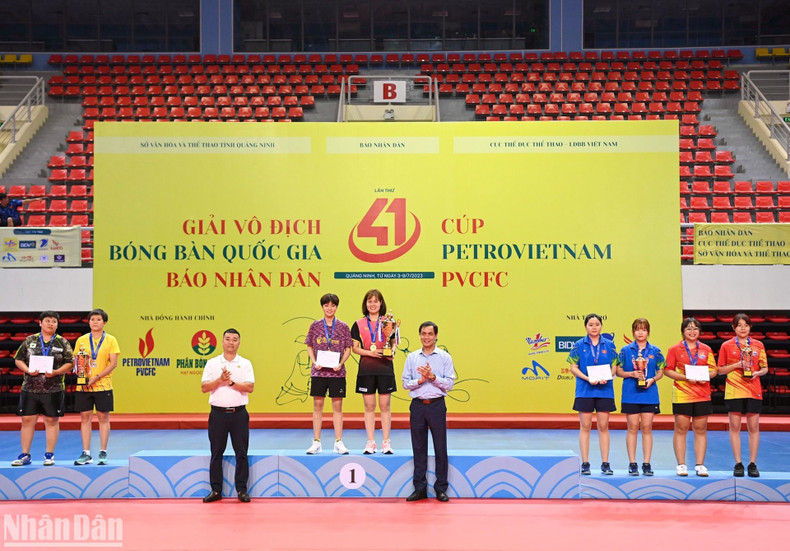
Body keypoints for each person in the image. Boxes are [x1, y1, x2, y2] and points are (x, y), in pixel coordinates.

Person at [11, 310, 74, 466]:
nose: (50, 323)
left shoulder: (62, 342)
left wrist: (57, 372)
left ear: (57, 325)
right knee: (27, 420)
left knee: (51, 420)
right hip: (30, 388)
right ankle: (25, 455)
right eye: (47, 320)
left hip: (54, 389)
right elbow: (18, 359)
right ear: (40, 323)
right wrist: (26, 370)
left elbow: (70, 362)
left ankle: (49, 455)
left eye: (54, 321)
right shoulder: (29, 340)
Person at [402, 321, 456, 503]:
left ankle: (441, 488)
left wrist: (432, 377)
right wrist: (419, 381)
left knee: (441, 447)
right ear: (419, 336)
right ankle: (420, 489)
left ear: (436, 336)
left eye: (430, 334)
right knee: (418, 448)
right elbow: (404, 383)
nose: (426, 337)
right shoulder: (411, 358)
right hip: (417, 406)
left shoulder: (444, 357)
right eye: (423, 334)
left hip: (436, 405)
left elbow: (450, 383)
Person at [200, 329, 255, 503]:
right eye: (228, 339)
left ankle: (241, 490)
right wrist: (220, 380)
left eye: (235, 340)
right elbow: (204, 388)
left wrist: (231, 383)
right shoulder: (212, 363)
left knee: (241, 453)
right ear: (222, 341)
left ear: (239, 343)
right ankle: (216, 490)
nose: (231, 342)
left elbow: (250, 387)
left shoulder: (245, 363)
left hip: (239, 414)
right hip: (218, 414)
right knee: (216, 453)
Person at [664, 317, 718, 477]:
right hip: (682, 394)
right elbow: (668, 370)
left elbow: (714, 370)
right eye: (689, 328)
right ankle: (681, 465)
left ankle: (700, 465)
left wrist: (706, 376)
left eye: (695, 328)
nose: (692, 331)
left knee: (700, 429)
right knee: (681, 428)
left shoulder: (706, 349)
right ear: (683, 331)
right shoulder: (674, 349)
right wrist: (685, 377)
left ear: (699, 331)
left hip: (702, 394)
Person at [717, 313, 768, 478]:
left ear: (750, 327)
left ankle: (753, 463)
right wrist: (738, 364)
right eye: (739, 325)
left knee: (753, 427)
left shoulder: (758, 345)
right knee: (735, 427)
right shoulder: (726, 345)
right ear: (733, 328)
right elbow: (721, 370)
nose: (743, 328)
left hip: (754, 389)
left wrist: (757, 373)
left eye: (745, 325)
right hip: (734, 390)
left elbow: (765, 368)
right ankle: (738, 463)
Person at [567, 313, 618, 476]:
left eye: (597, 324)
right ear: (585, 327)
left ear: (601, 326)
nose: (594, 327)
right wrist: (588, 378)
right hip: (585, 390)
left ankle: (605, 463)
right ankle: (585, 463)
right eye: (591, 324)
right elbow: (573, 367)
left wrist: (608, 377)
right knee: (585, 426)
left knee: (604, 426)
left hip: (605, 390)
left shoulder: (609, 345)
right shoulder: (578, 345)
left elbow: (615, 367)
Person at [304, 293, 353, 455]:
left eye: (332, 305)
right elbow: (309, 345)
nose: (329, 308)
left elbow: (348, 348)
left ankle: (338, 441)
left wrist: (341, 363)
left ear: (336, 307)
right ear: (322, 307)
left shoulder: (343, 326)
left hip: (337, 374)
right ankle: (316, 442)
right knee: (317, 406)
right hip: (318, 372)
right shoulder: (315, 325)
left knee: (337, 407)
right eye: (326, 305)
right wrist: (314, 361)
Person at [351, 289, 397, 454]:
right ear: (366, 304)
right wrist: (370, 353)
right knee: (369, 406)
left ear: (381, 303)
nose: (372, 304)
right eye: (369, 301)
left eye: (375, 301)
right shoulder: (358, 324)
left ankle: (386, 442)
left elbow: (393, 343)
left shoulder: (389, 322)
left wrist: (392, 351)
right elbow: (355, 348)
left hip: (385, 368)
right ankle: (370, 442)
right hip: (366, 369)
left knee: (385, 406)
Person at [616, 318, 665, 476]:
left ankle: (646, 463)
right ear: (633, 332)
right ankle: (632, 463)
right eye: (637, 329)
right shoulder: (625, 350)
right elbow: (618, 371)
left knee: (647, 428)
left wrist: (652, 379)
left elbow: (661, 371)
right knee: (632, 427)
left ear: (648, 332)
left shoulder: (655, 351)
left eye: (643, 329)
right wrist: (631, 374)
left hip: (649, 394)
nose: (640, 332)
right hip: (631, 394)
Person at [72, 309, 121, 466]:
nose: (95, 322)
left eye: (98, 319)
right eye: (92, 319)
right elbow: (77, 361)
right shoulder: (81, 340)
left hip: (103, 385)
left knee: (103, 417)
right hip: (84, 386)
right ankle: (86, 453)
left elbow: (113, 363)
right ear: (89, 322)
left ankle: (103, 452)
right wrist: (82, 375)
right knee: (85, 417)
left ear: (104, 322)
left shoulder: (111, 340)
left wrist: (97, 377)